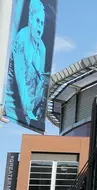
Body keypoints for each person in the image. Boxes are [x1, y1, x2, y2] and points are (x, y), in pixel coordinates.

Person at [4, 0, 47, 129]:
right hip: (13, 108)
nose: (40, 26)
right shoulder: (21, 38)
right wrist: (29, 113)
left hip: (29, 110)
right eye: (37, 21)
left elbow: (39, 82)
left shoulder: (42, 48)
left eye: (42, 23)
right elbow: (21, 79)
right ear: (30, 19)